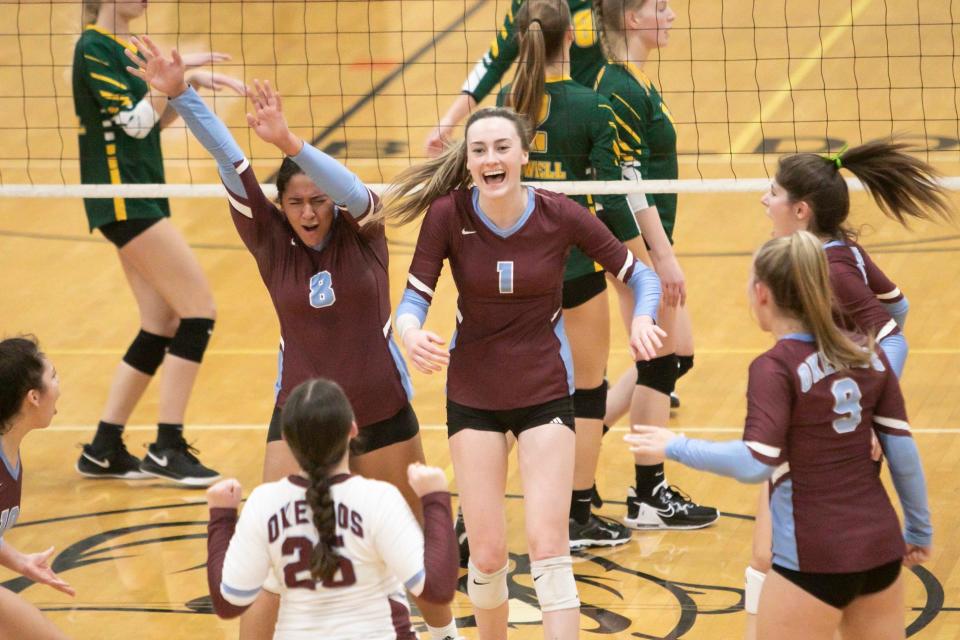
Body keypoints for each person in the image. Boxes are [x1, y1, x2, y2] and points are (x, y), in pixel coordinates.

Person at [126, 35, 462, 640]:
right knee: (274, 568)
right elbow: (233, 163)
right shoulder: (269, 239)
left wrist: (289, 143)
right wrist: (181, 96)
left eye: (318, 201)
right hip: (299, 418)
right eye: (296, 202)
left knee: (420, 571)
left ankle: (446, 637)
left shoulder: (364, 230)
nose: (309, 212)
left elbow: (358, 192)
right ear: (280, 207)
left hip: (381, 409)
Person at [388, 105, 664, 640]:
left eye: (501, 148)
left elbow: (640, 275)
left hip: (544, 392)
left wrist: (644, 317)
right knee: (487, 557)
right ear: (467, 161)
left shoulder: (559, 213)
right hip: (473, 394)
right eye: (479, 150)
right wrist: (410, 333)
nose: (491, 159)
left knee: (549, 548)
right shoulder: (448, 214)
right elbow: (413, 298)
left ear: (524, 154)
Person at [627, 231, 933, 640]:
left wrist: (674, 446)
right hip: (880, 553)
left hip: (811, 561)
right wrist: (918, 531)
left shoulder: (775, 367)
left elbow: (756, 463)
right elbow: (902, 453)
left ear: (762, 294)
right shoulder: (869, 357)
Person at [742, 140, 953, 624]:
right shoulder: (842, 251)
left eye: (772, 192)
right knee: (798, 556)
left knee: (769, 554)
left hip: (822, 423)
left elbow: (891, 334)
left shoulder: (830, 268)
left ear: (800, 210)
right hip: (834, 415)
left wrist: (871, 392)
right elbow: (896, 305)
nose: (763, 200)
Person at [72, 1, 245, 485]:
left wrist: (178, 87)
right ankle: (167, 446)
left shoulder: (126, 47)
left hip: (140, 194)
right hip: (123, 198)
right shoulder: (93, 47)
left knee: (161, 320)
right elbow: (134, 124)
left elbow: (153, 123)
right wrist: (173, 78)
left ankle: (103, 447)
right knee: (199, 310)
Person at [494, 0, 642, 549]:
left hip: (515, 272)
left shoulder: (502, 111)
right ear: (571, 41)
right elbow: (610, 200)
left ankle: (472, 519)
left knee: (506, 398)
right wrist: (636, 267)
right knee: (587, 391)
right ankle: (579, 514)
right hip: (575, 267)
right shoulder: (593, 106)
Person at [205, 378, 459, 639]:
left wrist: (221, 519)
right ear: (352, 430)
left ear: (285, 439)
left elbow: (227, 603)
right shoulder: (378, 498)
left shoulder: (263, 502)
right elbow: (437, 588)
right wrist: (435, 500)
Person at [592, 0, 712, 530]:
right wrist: (655, 257)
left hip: (648, 238)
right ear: (633, 19)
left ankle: (577, 442)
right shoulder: (618, 87)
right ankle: (648, 495)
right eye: (659, 7)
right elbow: (626, 182)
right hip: (636, 240)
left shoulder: (633, 81)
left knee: (672, 358)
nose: (671, 15)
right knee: (660, 361)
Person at [0, 337, 75, 640]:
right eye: (53, 376)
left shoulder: (10, 450)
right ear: (33, 397)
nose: (58, 387)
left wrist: (19, 560)